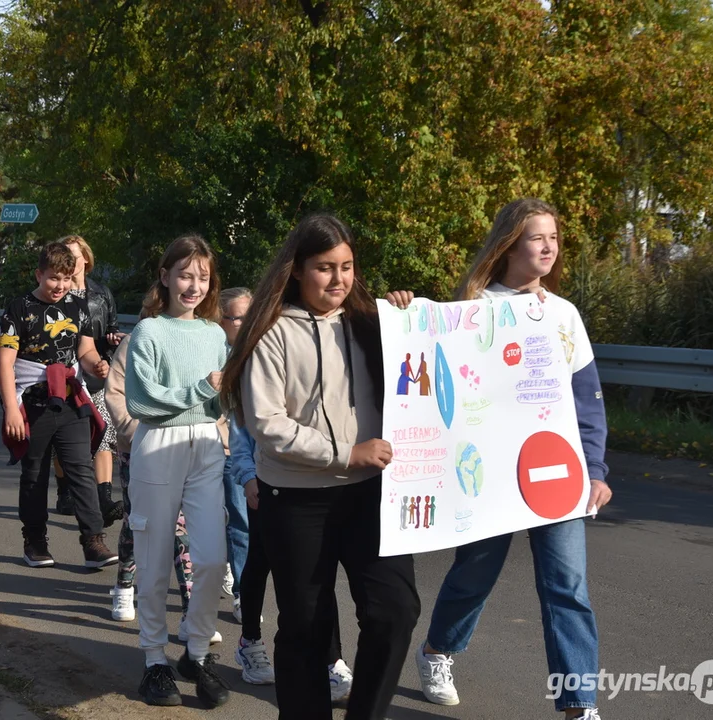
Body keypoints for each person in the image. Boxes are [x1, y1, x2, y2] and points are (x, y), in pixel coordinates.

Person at [386, 199, 611, 720]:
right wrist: (403, 313)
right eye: (538, 237)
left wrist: (595, 471)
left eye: (554, 237)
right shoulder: (472, 307)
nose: (549, 247)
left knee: (567, 587)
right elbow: (428, 367)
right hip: (487, 474)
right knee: (475, 574)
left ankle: (580, 705)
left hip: (556, 471)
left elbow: (588, 400)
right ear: (510, 242)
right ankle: (438, 652)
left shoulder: (564, 315)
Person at [220, 214, 420, 720]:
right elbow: (268, 424)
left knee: (396, 610)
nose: (338, 279)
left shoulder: (369, 324)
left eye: (347, 267)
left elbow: (422, 374)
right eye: (325, 268)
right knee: (306, 625)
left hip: (371, 493)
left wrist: (407, 319)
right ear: (297, 271)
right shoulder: (270, 333)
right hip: (295, 499)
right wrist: (345, 452)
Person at [123, 235, 230, 709]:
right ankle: (153, 660)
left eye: (203, 277)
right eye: (185, 275)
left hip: (207, 443)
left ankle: (198, 650)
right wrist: (201, 388)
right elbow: (143, 403)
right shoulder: (149, 332)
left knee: (211, 556)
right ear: (164, 276)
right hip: (159, 447)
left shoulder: (214, 334)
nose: (194, 286)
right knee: (153, 554)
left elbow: (224, 398)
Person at [0, 242, 117, 569]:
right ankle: (34, 541)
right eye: (52, 279)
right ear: (39, 274)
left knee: (80, 470)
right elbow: (5, 362)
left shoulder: (78, 306)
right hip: (32, 400)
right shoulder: (18, 307)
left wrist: (96, 366)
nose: (59, 286)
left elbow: (85, 350)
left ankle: (93, 541)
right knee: (34, 473)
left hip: (70, 397)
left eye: (65, 278)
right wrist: (9, 408)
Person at [105, 334, 219, 646]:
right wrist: (140, 432)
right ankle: (125, 585)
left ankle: (189, 612)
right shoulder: (136, 341)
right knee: (137, 523)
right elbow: (115, 393)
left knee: (183, 527)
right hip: (141, 449)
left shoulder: (200, 338)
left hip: (190, 449)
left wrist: (216, 435)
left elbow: (217, 396)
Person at [55, 235, 124, 525]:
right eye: (65, 256)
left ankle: (104, 497)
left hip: (96, 369)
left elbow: (111, 327)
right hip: (64, 370)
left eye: (74, 255)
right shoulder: (57, 290)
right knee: (65, 435)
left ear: (86, 258)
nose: (71, 262)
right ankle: (64, 491)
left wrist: (110, 344)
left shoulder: (101, 292)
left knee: (105, 432)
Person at [217, 287, 251, 622]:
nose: (246, 322)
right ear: (221, 318)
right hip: (209, 446)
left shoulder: (259, 347)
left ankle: (243, 591)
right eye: (239, 317)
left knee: (241, 521)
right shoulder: (210, 349)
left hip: (245, 451)